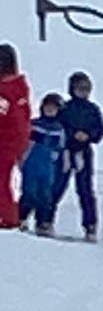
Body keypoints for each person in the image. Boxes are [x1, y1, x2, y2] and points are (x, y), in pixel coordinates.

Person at [56, 70, 103, 241]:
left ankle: (90, 225)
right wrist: (72, 134)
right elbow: (59, 126)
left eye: (86, 88)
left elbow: (100, 130)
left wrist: (89, 135)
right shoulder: (65, 108)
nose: (84, 92)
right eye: (80, 88)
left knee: (85, 190)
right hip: (66, 151)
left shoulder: (93, 110)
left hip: (84, 152)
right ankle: (45, 219)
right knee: (57, 186)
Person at [19, 93, 68, 235]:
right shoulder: (34, 125)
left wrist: (63, 162)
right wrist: (22, 159)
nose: (50, 110)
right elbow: (24, 142)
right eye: (48, 107)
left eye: (54, 108)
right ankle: (21, 218)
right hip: (32, 163)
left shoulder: (59, 129)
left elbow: (61, 148)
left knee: (45, 195)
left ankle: (43, 222)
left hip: (48, 167)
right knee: (29, 192)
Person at [0, 43, 32, 230]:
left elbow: (3, 115)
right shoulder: (19, 88)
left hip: (4, 142)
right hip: (13, 142)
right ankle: (8, 216)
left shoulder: (5, 91)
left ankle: (7, 218)